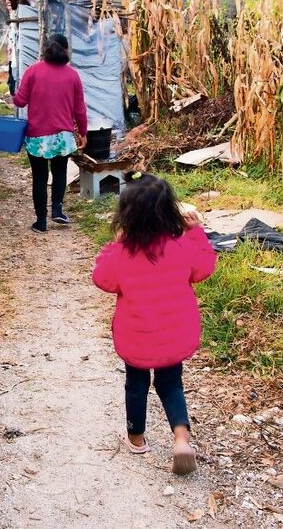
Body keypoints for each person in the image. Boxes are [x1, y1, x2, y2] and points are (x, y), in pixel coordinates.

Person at [91, 171, 217, 475]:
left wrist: (114, 244)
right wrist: (196, 230)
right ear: (170, 211)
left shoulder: (122, 253)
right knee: (171, 383)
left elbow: (102, 279)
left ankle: (136, 438)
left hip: (137, 338)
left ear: (127, 216)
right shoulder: (181, 245)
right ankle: (181, 437)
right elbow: (204, 268)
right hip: (174, 335)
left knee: (136, 385)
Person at [12, 34, 88, 233]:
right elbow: (80, 108)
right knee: (60, 172)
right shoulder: (72, 75)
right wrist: (83, 132)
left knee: (39, 177)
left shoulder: (32, 71)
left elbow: (20, 101)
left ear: (46, 49)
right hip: (62, 136)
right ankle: (57, 210)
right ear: (65, 50)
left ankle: (41, 221)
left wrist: (14, 91)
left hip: (37, 135)